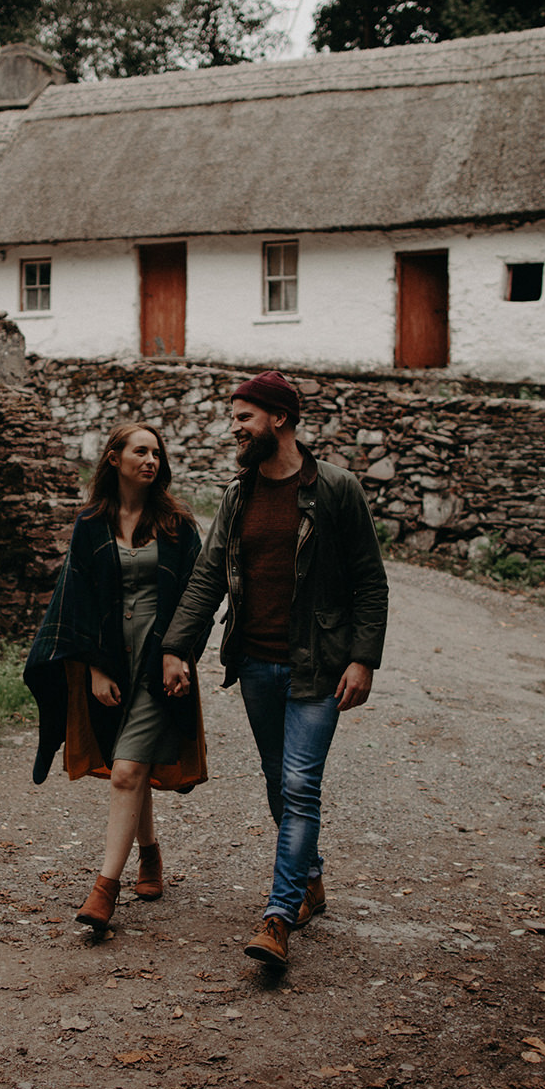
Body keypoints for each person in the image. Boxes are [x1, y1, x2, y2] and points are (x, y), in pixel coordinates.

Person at [161, 371, 388, 968]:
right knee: (275, 780)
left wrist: (363, 658)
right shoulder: (239, 496)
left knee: (298, 784)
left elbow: (369, 580)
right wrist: (176, 646)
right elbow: (208, 577)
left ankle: (278, 916)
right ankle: (310, 878)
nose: (233, 428)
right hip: (257, 664)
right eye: (235, 418)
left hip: (319, 666)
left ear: (278, 420)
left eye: (243, 418)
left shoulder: (337, 489)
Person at [24, 422, 208, 932]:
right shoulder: (90, 524)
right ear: (114, 458)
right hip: (110, 661)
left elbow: (196, 597)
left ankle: (104, 889)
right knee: (133, 758)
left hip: (158, 661)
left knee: (127, 770)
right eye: (140, 451)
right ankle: (149, 854)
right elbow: (76, 601)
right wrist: (97, 668)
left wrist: (178, 654)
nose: (150, 460)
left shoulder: (177, 524)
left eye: (157, 452)